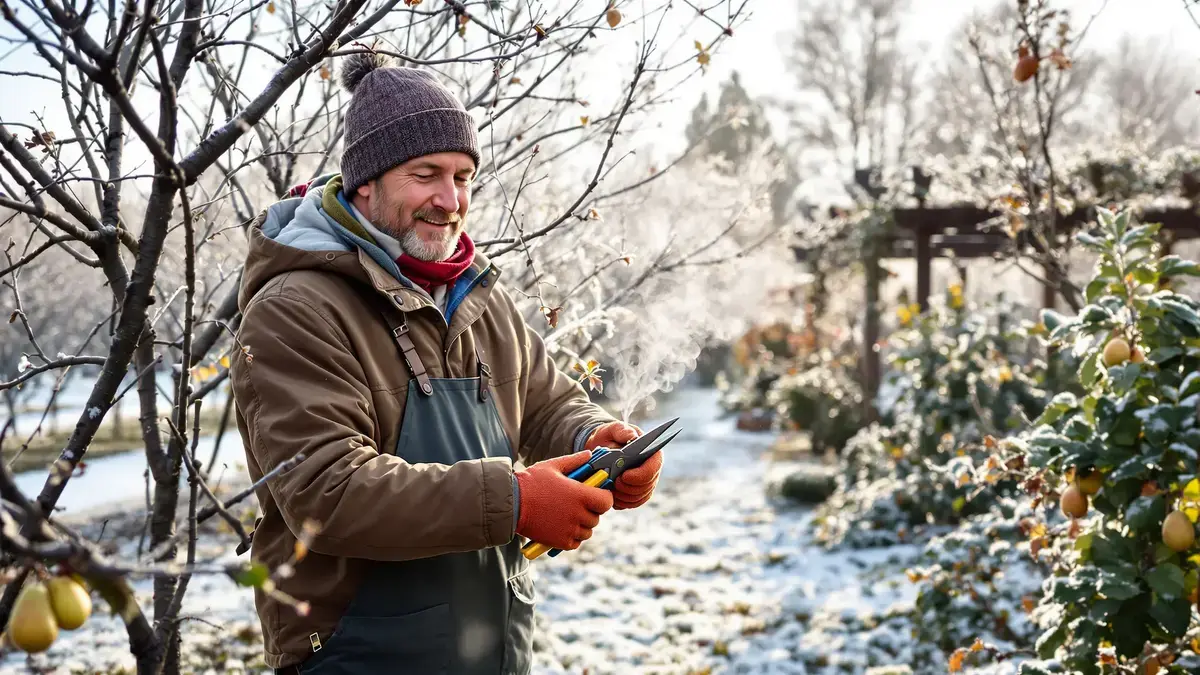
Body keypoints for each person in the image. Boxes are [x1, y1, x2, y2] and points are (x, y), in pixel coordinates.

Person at [229, 50, 664, 674]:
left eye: (463, 176)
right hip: (360, 657)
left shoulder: (473, 291)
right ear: (365, 182)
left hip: (490, 647)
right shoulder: (295, 308)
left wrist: (596, 442)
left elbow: (547, 402)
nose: (449, 199)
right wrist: (514, 500)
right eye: (426, 174)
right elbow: (327, 492)